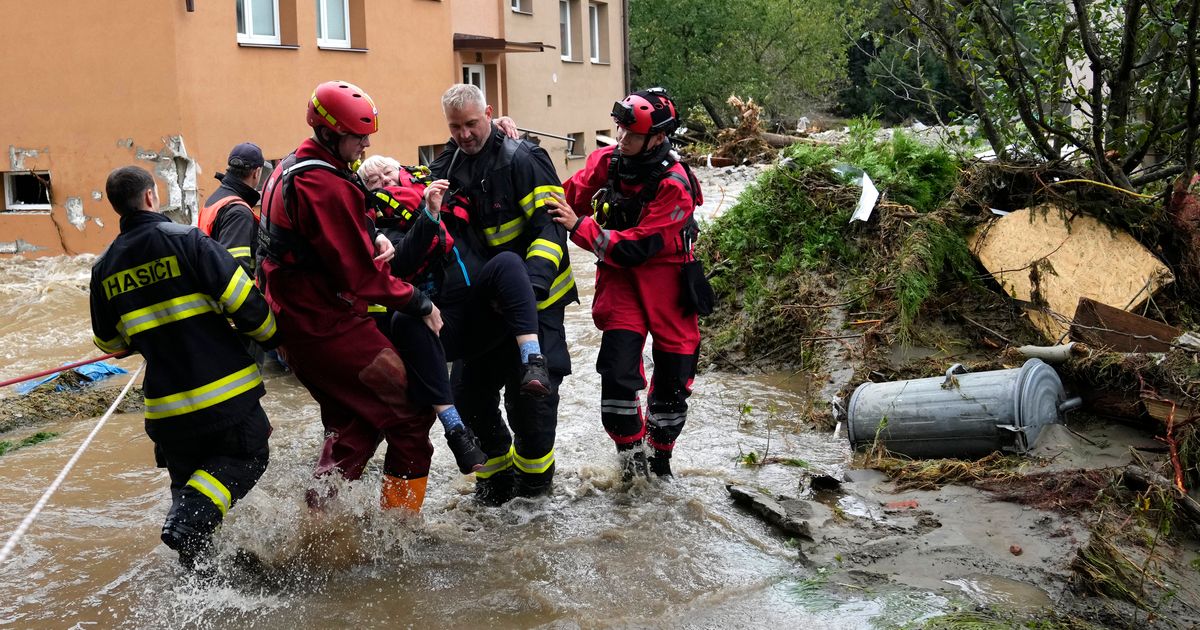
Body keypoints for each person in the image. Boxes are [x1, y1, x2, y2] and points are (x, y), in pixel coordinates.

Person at [256, 80, 438, 513]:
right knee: (412, 412)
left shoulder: (292, 166)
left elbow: (324, 238)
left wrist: (372, 236)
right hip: (323, 325)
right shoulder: (324, 183)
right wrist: (420, 302)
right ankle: (399, 527)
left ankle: (320, 521)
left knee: (354, 418)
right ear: (331, 133)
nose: (367, 144)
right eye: (360, 136)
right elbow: (360, 278)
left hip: (296, 322)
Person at [89, 165, 280, 568]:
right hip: (225, 394)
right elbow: (243, 300)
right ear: (150, 198)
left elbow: (110, 343)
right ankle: (189, 519)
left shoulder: (103, 268)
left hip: (167, 410)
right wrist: (272, 337)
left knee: (188, 485)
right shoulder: (188, 241)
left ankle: (198, 582)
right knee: (249, 456)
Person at [355, 156, 553, 475]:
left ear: (403, 170)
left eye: (388, 172)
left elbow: (462, 149)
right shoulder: (381, 228)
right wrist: (428, 215)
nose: (385, 181)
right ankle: (456, 432)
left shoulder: (440, 189)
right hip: (443, 325)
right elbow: (402, 262)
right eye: (374, 181)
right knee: (404, 320)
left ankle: (534, 362)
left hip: (483, 311)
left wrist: (497, 132)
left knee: (508, 262)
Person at [545, 88, 704, 480]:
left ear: (658, 137)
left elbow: (641, 246)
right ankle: (631, 463)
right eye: (620, 131)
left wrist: (581, 228)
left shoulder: (676, 185)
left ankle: (660, 459)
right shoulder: (609, 161)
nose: (621, 140)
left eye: (631, 136)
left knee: (673, 383)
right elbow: (568, 196)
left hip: (668, 280)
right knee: (616, 375)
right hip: (620, 281)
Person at [429, 84, 575, 504]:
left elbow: (550, 230)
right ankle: (495, 484)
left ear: (489, 114)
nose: (464, 134)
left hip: (536, 302)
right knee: (469, 396)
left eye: (472, 124)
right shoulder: (449, 163)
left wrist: (528, 288)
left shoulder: (524, 158)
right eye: (455, 127)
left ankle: (534, 494)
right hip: (482, 307)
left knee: (532, 404)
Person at [199, 142, 264, 276]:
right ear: (256, 173)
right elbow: (234, 271)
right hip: (237, 295)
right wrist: (254, 297)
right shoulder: (239, 212)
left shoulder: (216, 199)